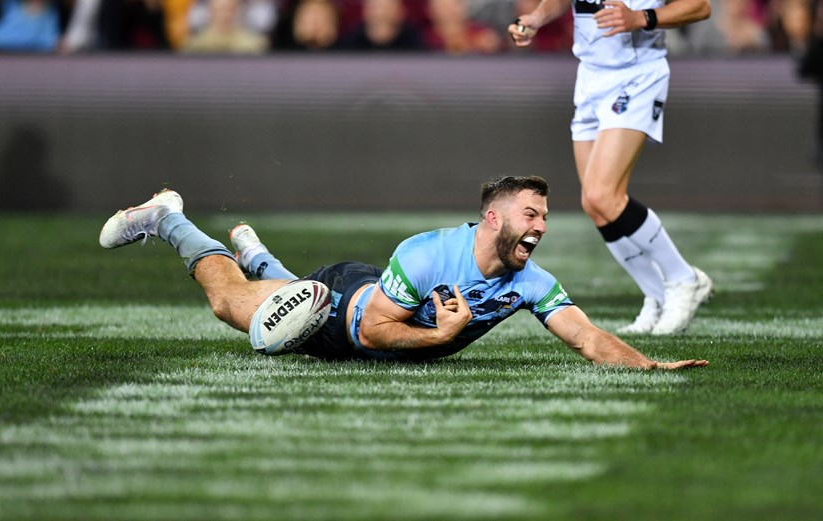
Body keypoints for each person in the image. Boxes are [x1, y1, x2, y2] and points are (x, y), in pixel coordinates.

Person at [99, 176, 708, 370]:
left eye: (544, 217)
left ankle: (260, 257)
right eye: (531, 215)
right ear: (493, 218)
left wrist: (650, 366)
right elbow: (370, 332)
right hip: (343, 311)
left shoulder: (530, 282)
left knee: (272, 288)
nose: (541, 227)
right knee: (229, 304)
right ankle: (168, 217)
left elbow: (588, 338)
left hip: (376, 297)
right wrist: (439, 336)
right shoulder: (426, 254)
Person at [509, 1, 714, 335]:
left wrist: (642, 17)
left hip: (637, 73)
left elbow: (700, 7)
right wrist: (536, 17)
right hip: (591, 75)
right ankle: (658, 294)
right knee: (595, 205)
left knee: (603, 195)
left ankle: (684, 278)